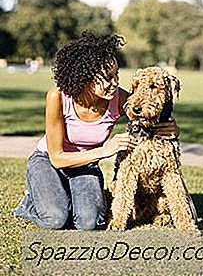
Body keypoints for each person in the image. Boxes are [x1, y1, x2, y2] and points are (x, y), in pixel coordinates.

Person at [14, 30, 179, 230]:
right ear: (85, 78)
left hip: (86, 165)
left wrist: (171, 129)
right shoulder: (57, 96)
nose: (116, 83)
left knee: (89, 222)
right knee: (56, 219)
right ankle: (29, 203)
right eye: (108, 77)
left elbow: (146, 112)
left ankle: (64, 196)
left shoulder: (117, 98)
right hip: (48, 161)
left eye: (116, 74)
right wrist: (105, 151)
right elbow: (57, 157)